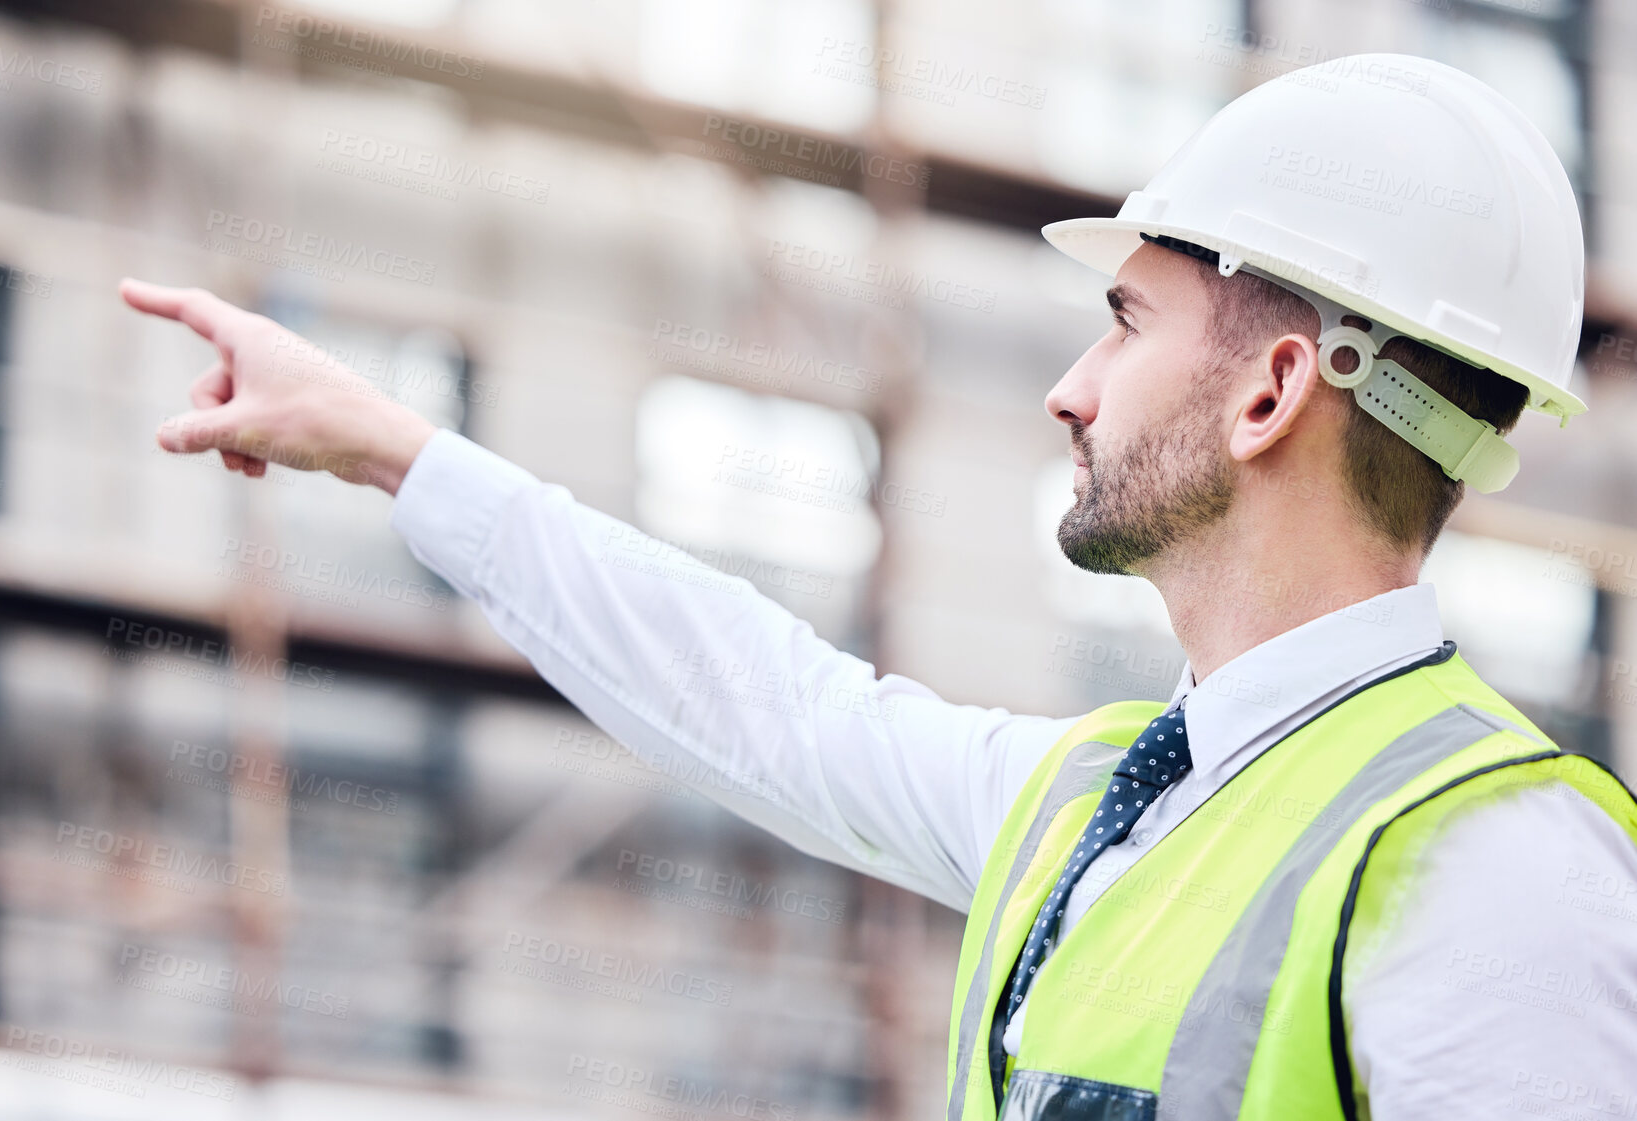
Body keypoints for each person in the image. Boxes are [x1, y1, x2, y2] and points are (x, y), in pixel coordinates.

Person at [121, 51, 1637, 1121]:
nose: (1071, 386)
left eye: (1124, 320)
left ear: (1272, 393)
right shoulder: (1097, 799)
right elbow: (757, 698)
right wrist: (395, 450)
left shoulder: (1497, 862)